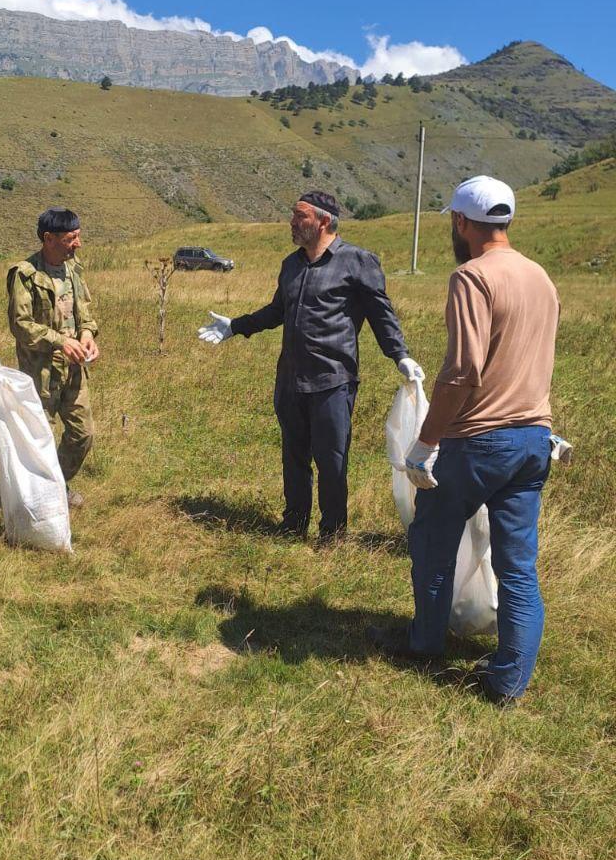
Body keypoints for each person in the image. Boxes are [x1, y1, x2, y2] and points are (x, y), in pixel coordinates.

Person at [368, 176, 560, 706]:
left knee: (432, 541)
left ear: (461, 222)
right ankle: (509, 682)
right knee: (518, 568)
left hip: (478, 441)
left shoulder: (471, 277)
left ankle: (425, 644)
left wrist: (425, 444)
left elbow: (462, 373)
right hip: (533, 439)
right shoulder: (541, 277)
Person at [198, 191, 423, 542]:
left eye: (298, 215)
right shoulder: (291, 264)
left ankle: (332, 533)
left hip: (332, 380)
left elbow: (382, 315)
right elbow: (277, 312)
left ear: (322, 220)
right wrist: (235, 326)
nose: (291, 221)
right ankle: (293, 525)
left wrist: (400, 355)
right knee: (294, 456)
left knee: (332, 461)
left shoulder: (357, 262)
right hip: (290, 379)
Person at [7, 208, 99, 507]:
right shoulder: (26, 274)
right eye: (71, 238)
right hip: (40, 374)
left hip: (74, 370)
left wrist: (87, 336)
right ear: (49, 238)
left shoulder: (74, 269)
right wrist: (61, 342)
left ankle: (57, 484)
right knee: (39, 440)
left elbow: (84, 314)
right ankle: (36, 500)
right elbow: (21, 326)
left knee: (82, 434)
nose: (78, 244)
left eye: (78, 237)